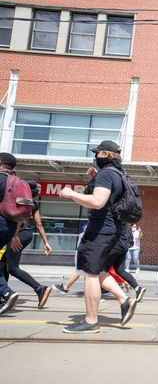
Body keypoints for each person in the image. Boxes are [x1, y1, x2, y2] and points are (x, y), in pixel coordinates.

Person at [58, 141, 138, 333]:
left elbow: (97, 201)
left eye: (98, 153)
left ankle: (91, 320)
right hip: (113, 229)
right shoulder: (118, 173)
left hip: (100, 230)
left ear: (104, 154)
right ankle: (124, 300)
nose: (96, 157)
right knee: (100, 269)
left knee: (90, 274)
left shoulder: (107, 174)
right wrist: (95, 179)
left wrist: (70, 193)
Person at [1, 180, 53, 309]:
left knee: (12, 268)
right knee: (3, 264)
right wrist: (46, 242)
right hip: (27, 234)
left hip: (18, 234)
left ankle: (39, 288)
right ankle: (4, 294)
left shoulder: (16, 200)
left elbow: (18, 220)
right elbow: (38, 224)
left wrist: (14, 236)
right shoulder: (32, 204)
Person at [0, 153, 25, 315]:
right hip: (9, 228)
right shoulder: (16, 182)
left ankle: (5, 292)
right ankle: (6, 292)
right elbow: (21, 214)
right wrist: (14, 234)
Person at [53, 225, 87, 294]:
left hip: (86, 255)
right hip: (86, 255)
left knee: (89, 275)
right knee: (84, 273)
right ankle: (66, 287)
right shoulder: (84, 235)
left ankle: (95, 293)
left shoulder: (85, 235)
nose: (84, 226)